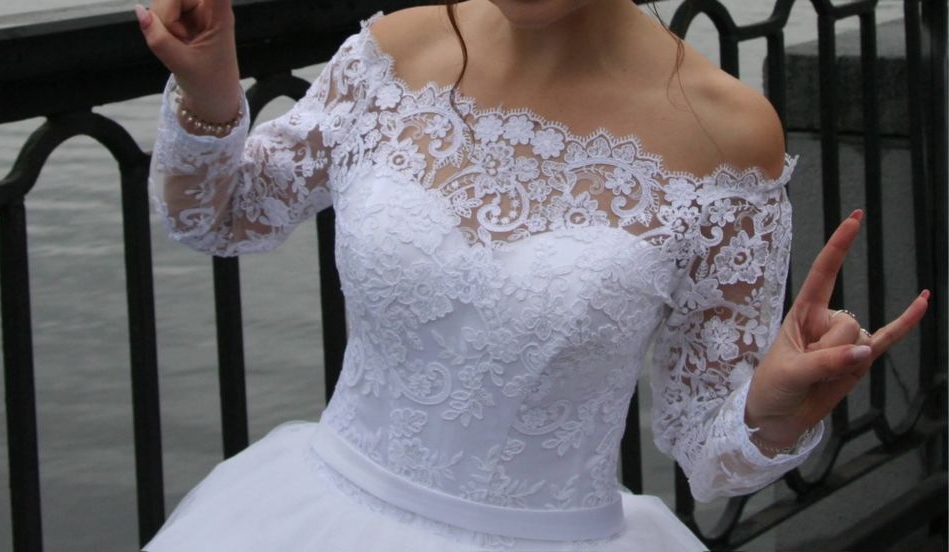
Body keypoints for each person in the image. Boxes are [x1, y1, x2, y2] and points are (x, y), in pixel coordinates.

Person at [134, 0, 930, 550]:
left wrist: (771, 409)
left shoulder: (726, 135)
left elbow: (707, 452)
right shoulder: (395, 50)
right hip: (311, 516)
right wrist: (209, 91)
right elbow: (224, 216)